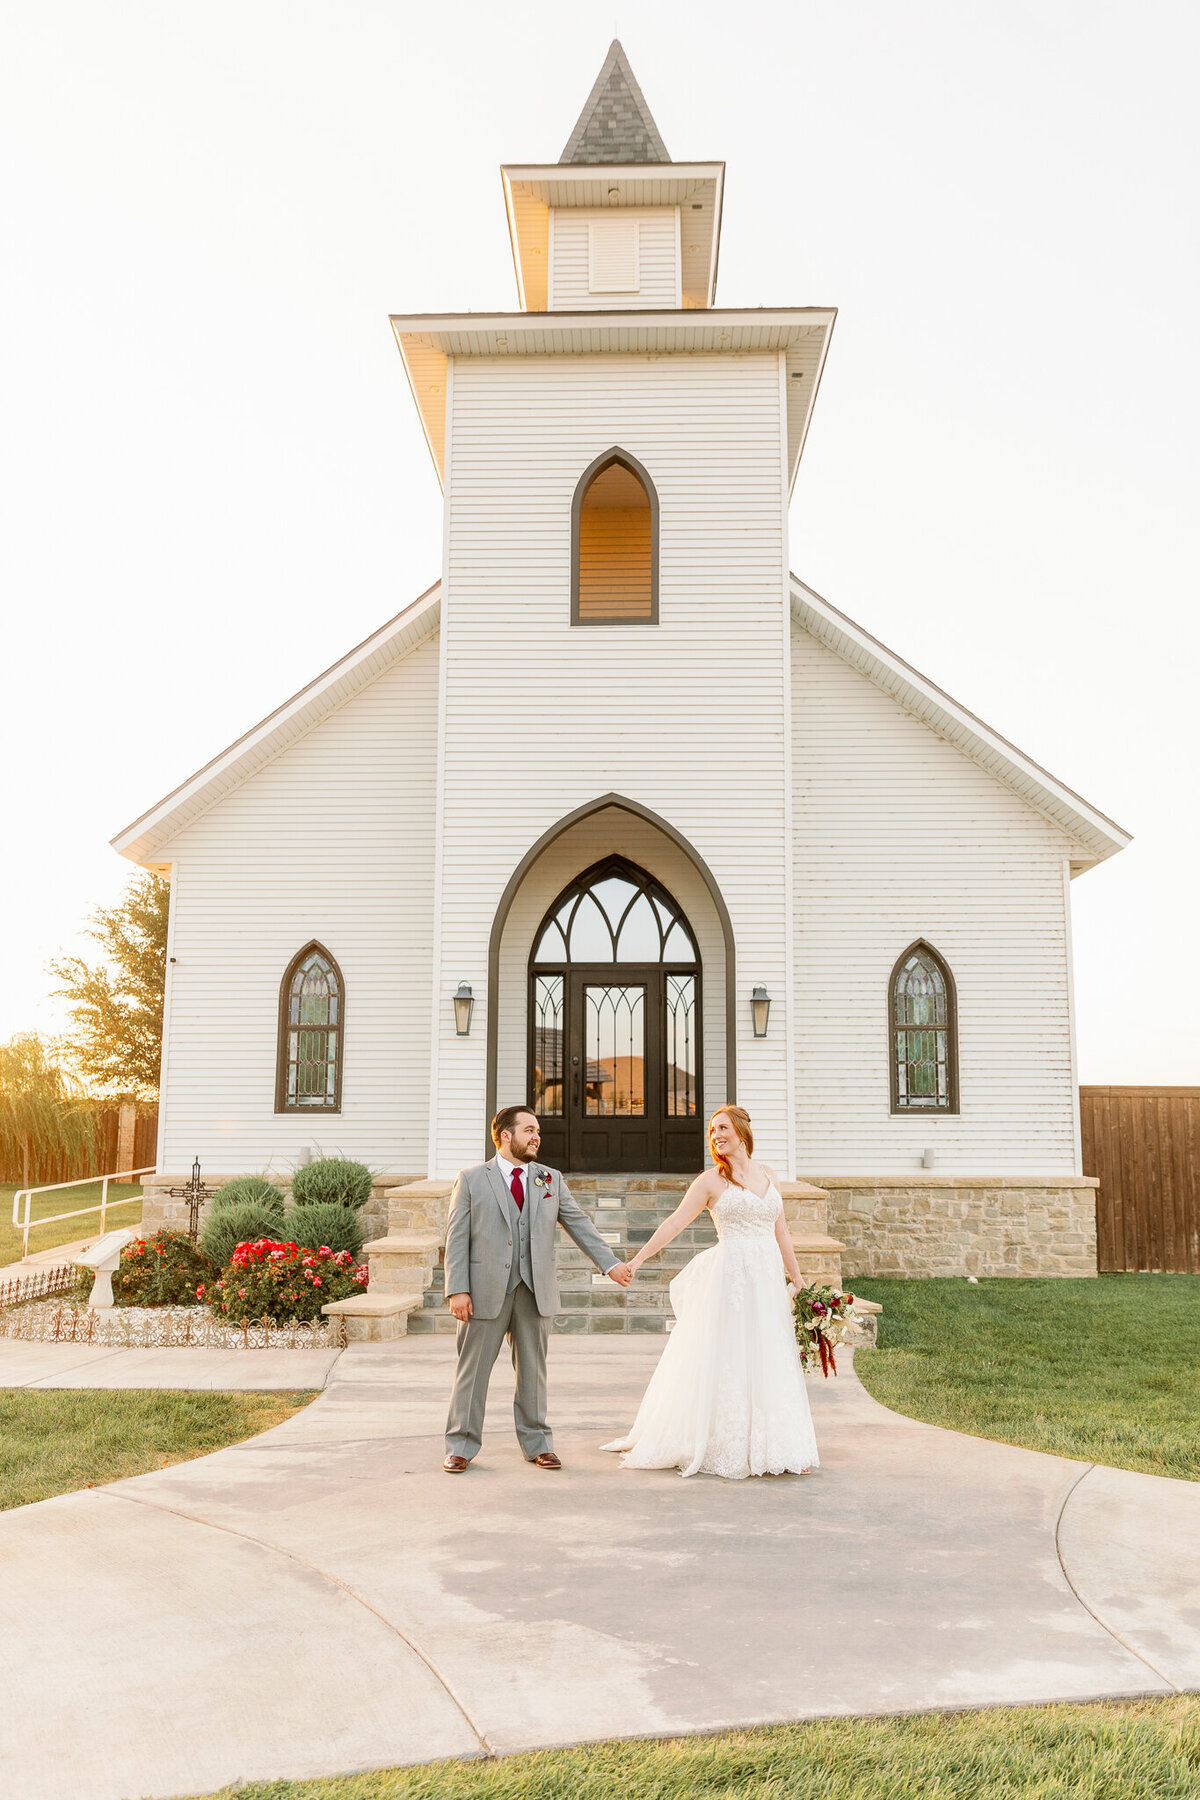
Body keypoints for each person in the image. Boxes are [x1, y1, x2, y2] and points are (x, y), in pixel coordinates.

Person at [602, 1105, 819, 1479]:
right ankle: (726, 1441)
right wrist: (636, 1260)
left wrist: (797, 1280)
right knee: (730, 1355)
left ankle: (778, 1443)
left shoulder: (769, 1174)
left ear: (741, 1130)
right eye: (712, 1131)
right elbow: (674, 1223)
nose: (716, 1135)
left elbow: (780, 1231)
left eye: (722, 1128)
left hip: (766, 1279)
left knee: (769, 1354)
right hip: (731, 1280)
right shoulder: (710, 1182)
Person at [442, 1105, 632, 1472]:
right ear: (505, 1135)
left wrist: (610, 1264)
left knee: (533, 1371)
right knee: (472, 1370)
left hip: (534, 1290)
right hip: (482, 1291)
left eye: (538, 1131)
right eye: (529, 1130)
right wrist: (457, 1289)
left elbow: (579, 1223)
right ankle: (460, 1445)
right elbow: (456, 1238)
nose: (536, 1137)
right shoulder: (471, 1179)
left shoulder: (549, 1179)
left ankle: (537, 1443)